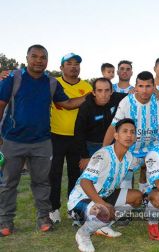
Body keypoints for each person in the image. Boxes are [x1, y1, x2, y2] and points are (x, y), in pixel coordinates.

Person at [0, 45, 86, 237]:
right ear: (27, 58)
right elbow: (1, 105)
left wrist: (90, 96)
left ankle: (43, 219)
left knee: (42, 183)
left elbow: (67, 104)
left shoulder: (51, 83)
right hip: (12, 140)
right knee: (8, 183)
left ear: (48, 60)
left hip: (42, 142)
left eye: (43, 57)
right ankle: (5, 222)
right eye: (35, 56)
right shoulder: (13, 78)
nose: (39, 60)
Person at [68, 118, 144, 252]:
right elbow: (85, 182)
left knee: (137, 197)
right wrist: (102, 203)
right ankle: (83, 234)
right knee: (105, 211)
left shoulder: (129, 157)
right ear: (116, 135)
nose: (129, 135)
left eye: (132, 132)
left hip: (104, 195)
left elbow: (145, 163)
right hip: (79, 201)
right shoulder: (102, 155)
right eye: (124, 131)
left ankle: (102, 226)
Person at [103, 71, 159, 193]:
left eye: (148, 86)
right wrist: (104, 150)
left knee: (152, 177)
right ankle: (127, 203)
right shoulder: (126, 102)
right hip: (130, 149)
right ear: (135, 87)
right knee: (126, 178)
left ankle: (148, 199)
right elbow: (113, 126)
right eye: (141, 86)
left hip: (153, 147)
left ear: (154, 87)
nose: (144, 90)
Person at [49, 53, 93, 224]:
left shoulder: (86, 86)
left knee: (76, 175)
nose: (73, 66)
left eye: (77, 64)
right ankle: (53, 209)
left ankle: (73, 207)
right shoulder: (54, 83)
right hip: (56, 135)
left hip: (78, 137)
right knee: (54, 174)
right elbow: (65, 104)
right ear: (61, 67)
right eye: (69, 63)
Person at [75, 77, 125, 171]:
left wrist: (156, 91)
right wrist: (85, 156)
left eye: (107, 90)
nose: (104, 94)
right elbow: (78, 132)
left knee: (112, 176)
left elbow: (138, 94)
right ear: (93, 92)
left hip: (112, 145)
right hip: (91, 146)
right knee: (90, 178)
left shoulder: (117, 98)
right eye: (99, 91)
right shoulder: (86, 107)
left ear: (111, 91)